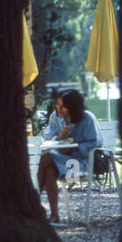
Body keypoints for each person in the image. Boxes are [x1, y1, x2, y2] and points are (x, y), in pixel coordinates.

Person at [37, 88, 103, 224]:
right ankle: (54, 215)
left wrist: (76, 146)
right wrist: (60, 137)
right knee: (49, 170)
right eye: (57, 104)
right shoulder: (55, 117)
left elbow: (96, 142)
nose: (58, 108)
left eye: (63, 105)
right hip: (62, 161)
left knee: (46, 157)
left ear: (73, 106)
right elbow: (48, 138)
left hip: (80, 165)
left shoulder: (87, 118)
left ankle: (32, 202)